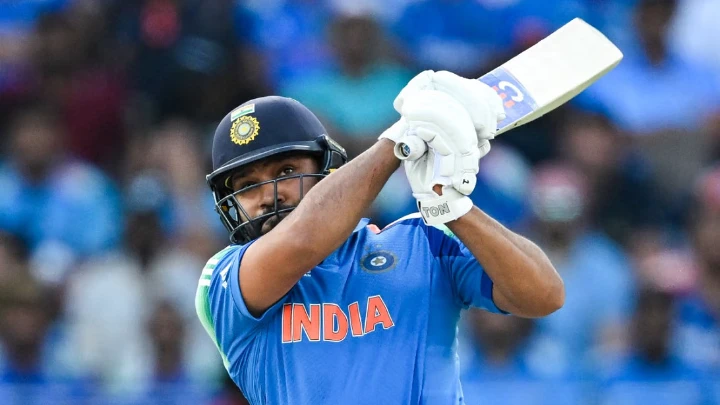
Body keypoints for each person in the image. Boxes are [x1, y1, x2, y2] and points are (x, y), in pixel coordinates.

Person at [195, 71, 565, 404]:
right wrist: (400, 139)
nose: (268, 196)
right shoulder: (223, 279)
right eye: (247, 186)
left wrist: (452, 206)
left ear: (328, 170)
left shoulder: (423, 242)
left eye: (287, 170)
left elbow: (544, 294)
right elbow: (303, 241)